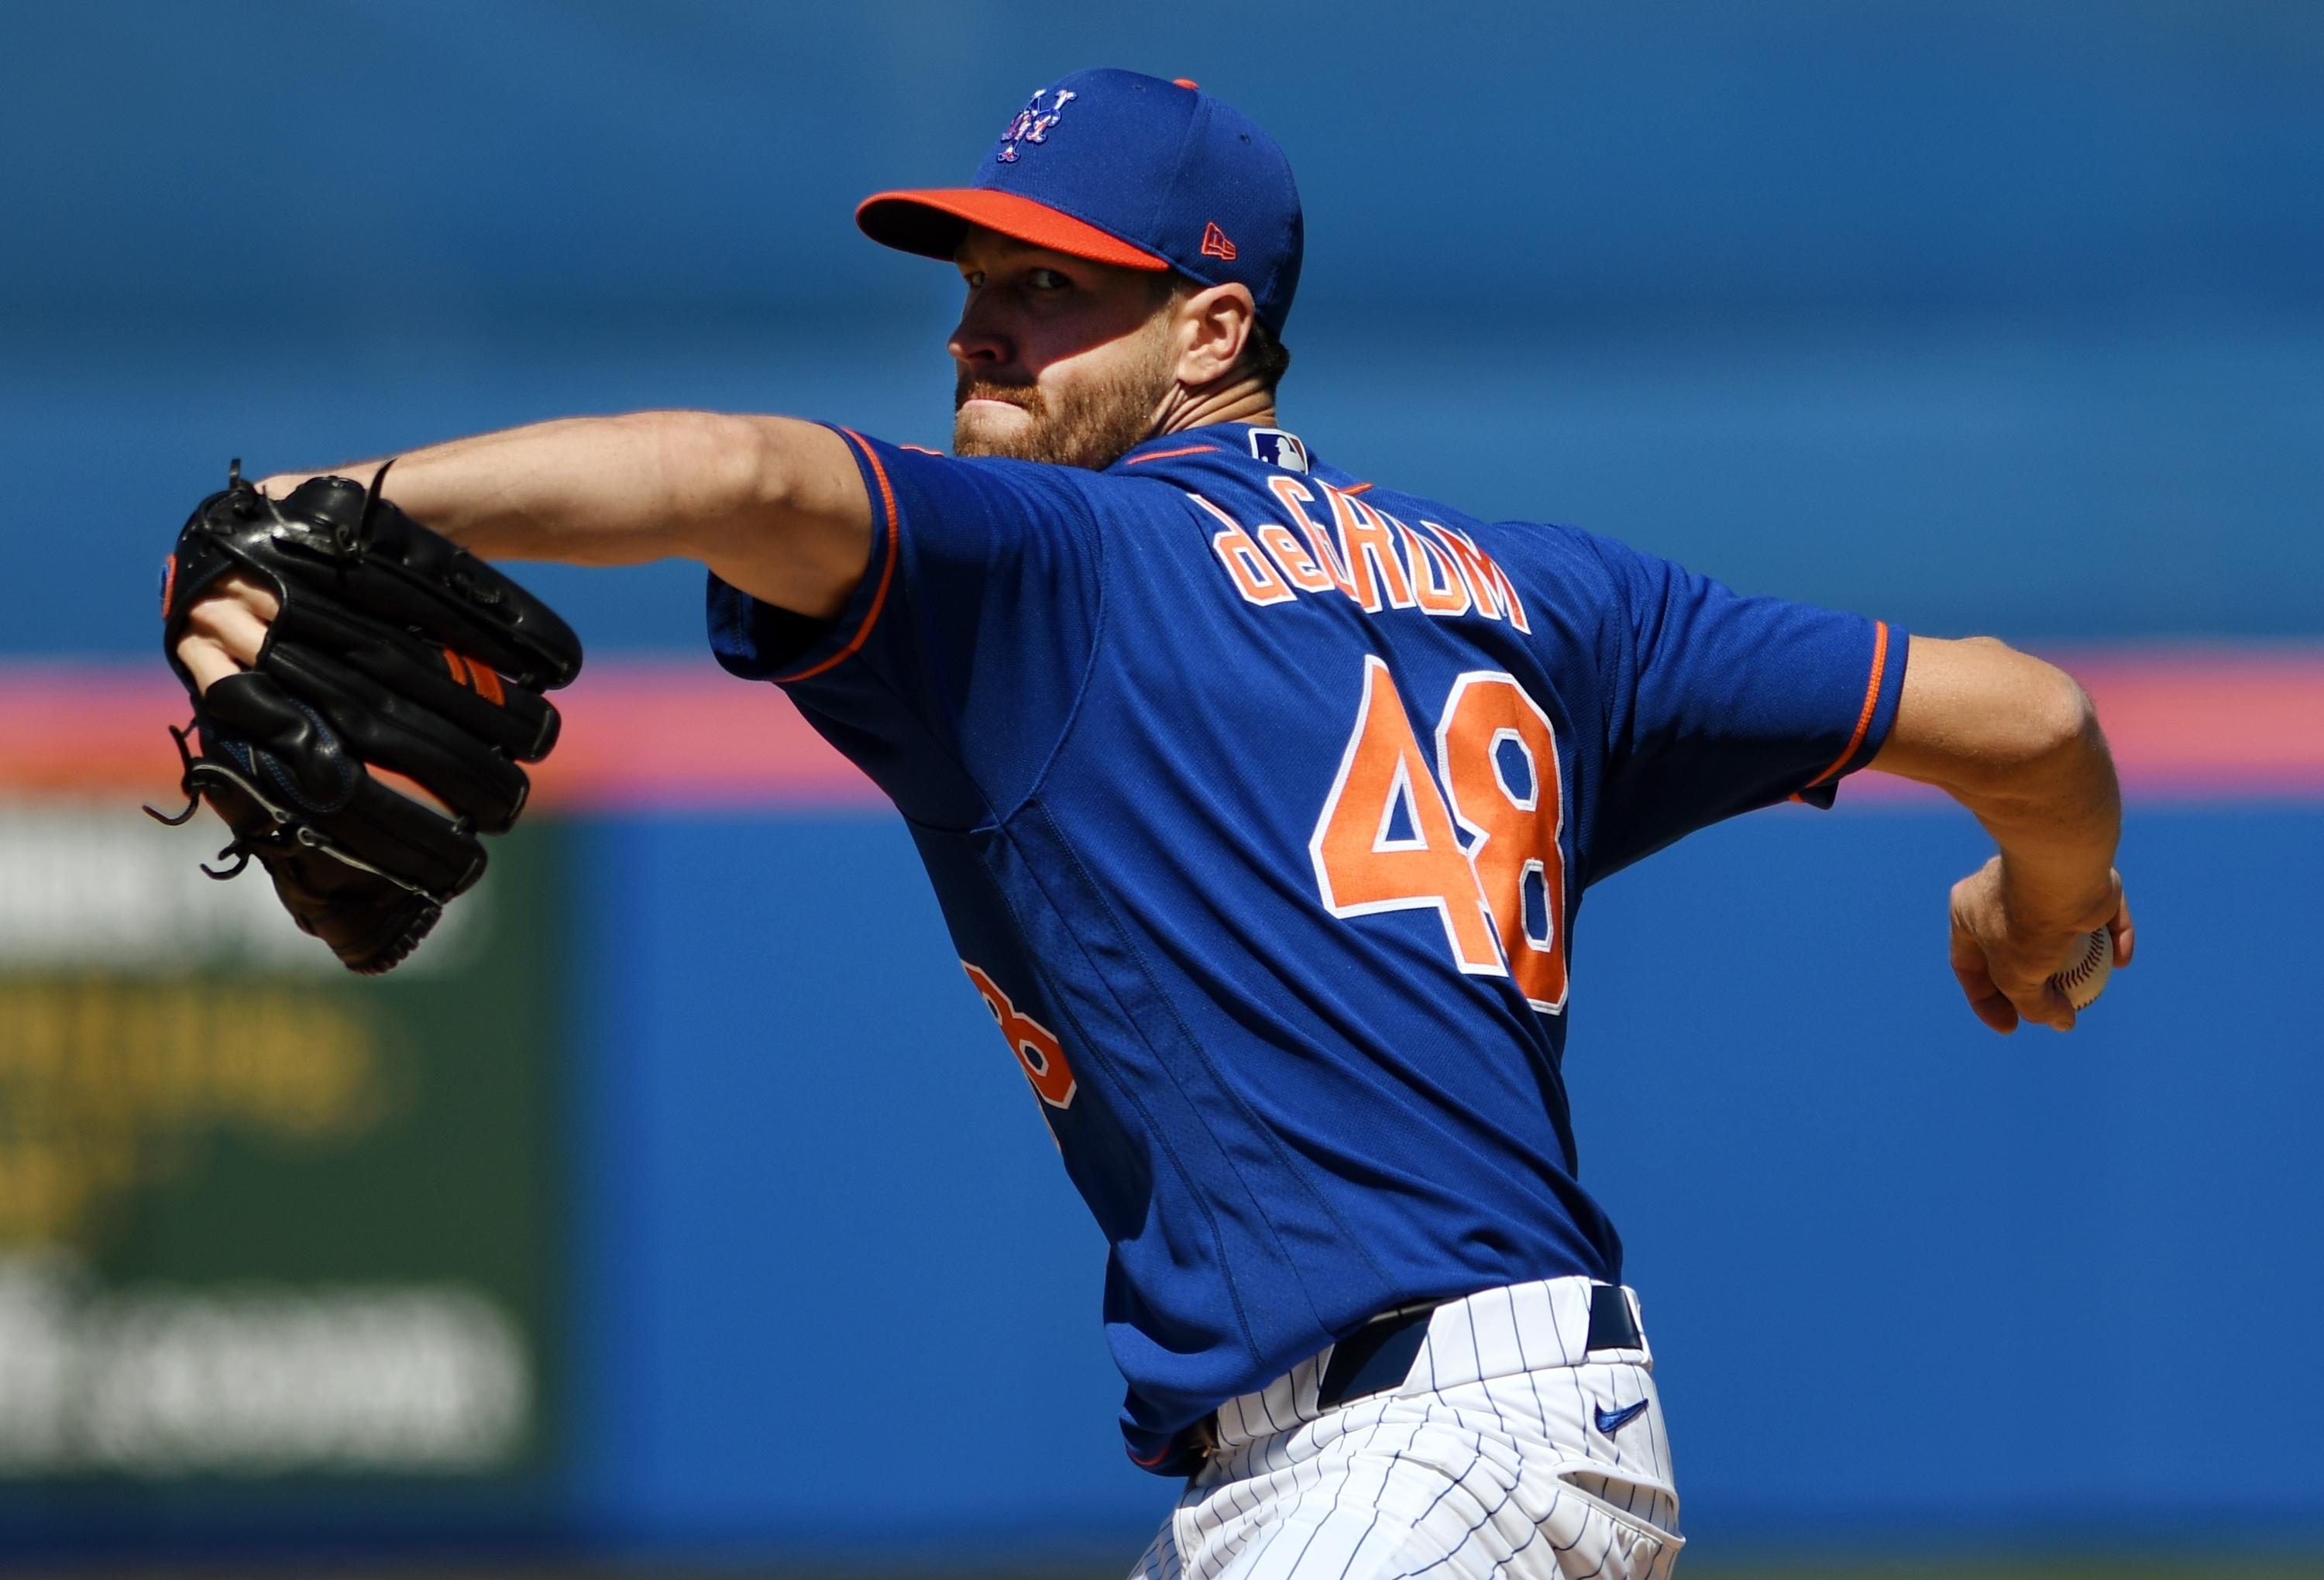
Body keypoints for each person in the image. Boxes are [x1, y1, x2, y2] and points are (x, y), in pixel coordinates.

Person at [172, 68, 2133, 1580]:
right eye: (973, 289)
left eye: (1047, 291)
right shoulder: (1543, 602)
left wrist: (327, 506)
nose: (981, 332)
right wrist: (2048, 904)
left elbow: (726, 467)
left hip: (1424, 1447)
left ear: (1208, 333)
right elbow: (2028, 717)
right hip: (1397, 1458)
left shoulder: (1059, 566)